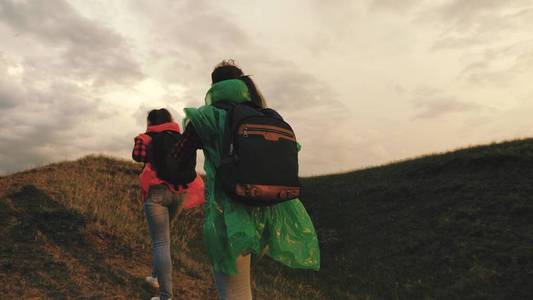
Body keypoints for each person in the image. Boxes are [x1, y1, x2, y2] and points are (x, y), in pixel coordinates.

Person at [171, 60, 320, 299]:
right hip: (270, 212)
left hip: (230, 215)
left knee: (235, 293)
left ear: (213, 86)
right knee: (240, 287)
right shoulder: (264, 114)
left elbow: (177, 158)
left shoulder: (207, 116)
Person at [132, 108, 204, 300]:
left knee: (160, 242)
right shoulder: (180, 138)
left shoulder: (147, 137)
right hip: (180, 192)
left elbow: (137, 156)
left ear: (150, 122)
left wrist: (146, 140)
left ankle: (165, 295)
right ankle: (155, 276)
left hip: (156, 193)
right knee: (163, 238)